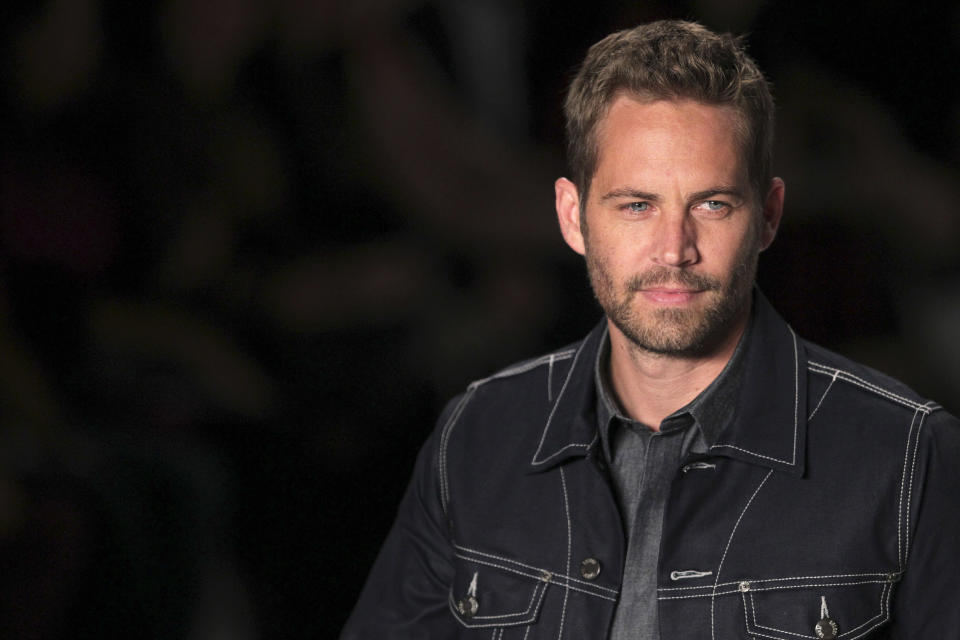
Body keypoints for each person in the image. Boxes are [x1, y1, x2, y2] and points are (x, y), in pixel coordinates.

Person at [339, 20, 960, 639]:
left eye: (711, 204)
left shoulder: (908, 457)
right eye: (637, 205)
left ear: (768, 217)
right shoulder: (477, 438)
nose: (674, 249)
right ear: (573, 217)